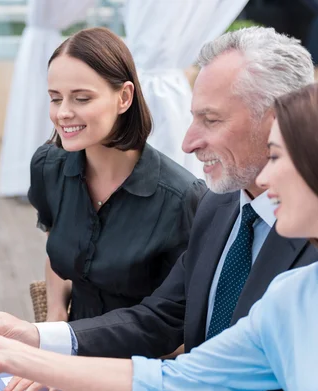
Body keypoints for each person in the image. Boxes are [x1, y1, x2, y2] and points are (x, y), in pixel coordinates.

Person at [0, 27, 318, 391]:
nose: (187, 143)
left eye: (211, 120)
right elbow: (158, 319)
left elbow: (192, 369)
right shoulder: (220, 207)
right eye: (55, 98)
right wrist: (32, 338)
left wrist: (39, 363)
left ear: (278, 121)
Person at [28, 27, 205, 323]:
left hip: (143, 360)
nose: (62, 113)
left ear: (124, 97)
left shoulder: (181, 199)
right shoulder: (49, 168)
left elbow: (185, 320)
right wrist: (55, 318)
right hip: (68, 347)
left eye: (82, 98)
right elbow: (56, 248)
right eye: (56, 98)